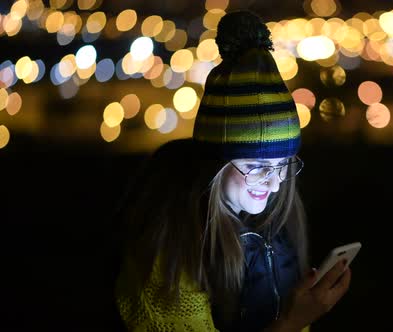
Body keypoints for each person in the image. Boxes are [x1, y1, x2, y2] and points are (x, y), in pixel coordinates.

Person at [113, 10, 351, 332]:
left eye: (283, 166)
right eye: (255, 166)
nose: (273, 183)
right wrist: (294, 320)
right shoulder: (171, 256)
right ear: (215, 162)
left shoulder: (276, 228)